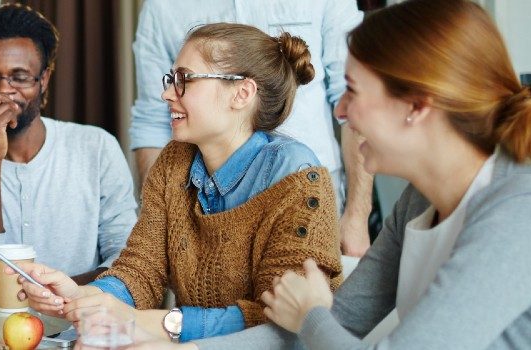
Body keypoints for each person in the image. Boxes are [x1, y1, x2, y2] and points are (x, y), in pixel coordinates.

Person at [147, 1, 531, 349]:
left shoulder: (527, 213)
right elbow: (335, 326)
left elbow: (320, 326)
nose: (339, 111)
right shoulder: (419, 201)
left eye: (353, 91)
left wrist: (312, 316)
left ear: (416, 105)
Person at [12, 23, 342, 343]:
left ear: (241, 93)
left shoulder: (299, 180)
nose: (166, 93)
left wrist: (164, 323)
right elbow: (143, 269)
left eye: (184, 79)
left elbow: (280, 319)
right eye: (171, 79)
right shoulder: (175, 162)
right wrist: (88, 296)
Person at [129, 0, 375, 257]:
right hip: (200, 202)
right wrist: (158, 223)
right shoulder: (162, 6)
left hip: (308, 196)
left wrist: (357, 217)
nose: (168, 94)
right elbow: (152, 122)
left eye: (185, 79)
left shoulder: (298, 170)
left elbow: (356, 101)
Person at [0, 4, 137, 298]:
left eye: (20, 77)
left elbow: (128, 262)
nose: (4, 90)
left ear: (44, 80)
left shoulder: (97, 148)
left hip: (79, 329)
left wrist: (55, 294)